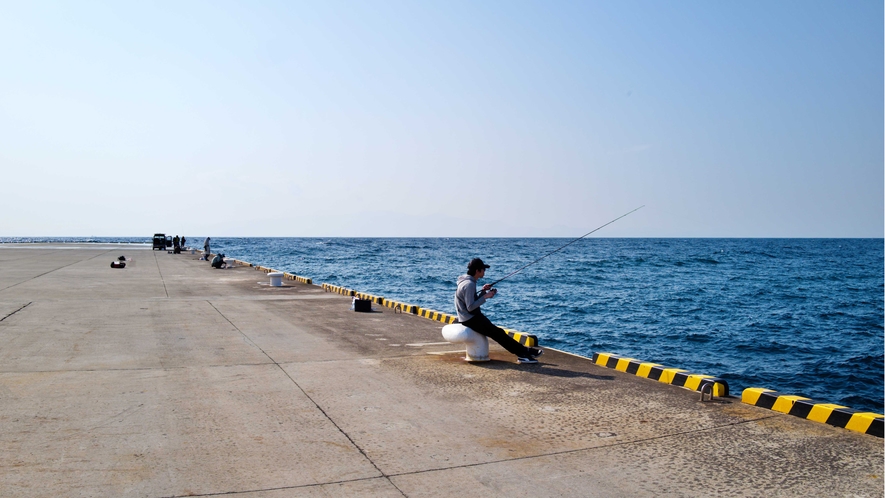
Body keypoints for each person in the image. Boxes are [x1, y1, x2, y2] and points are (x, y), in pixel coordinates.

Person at [454, 258, 543, 364]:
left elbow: (470, 301)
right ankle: (522, 354)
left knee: (498, 332)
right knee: (497, 334)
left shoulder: (466, 281)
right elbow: (470, 307)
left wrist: (483, 292)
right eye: (483, 269)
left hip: (470, 316)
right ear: (477, 271)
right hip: (470, 318)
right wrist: (486, 296)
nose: (484, 272)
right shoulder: (469, 284)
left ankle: (524, 351)